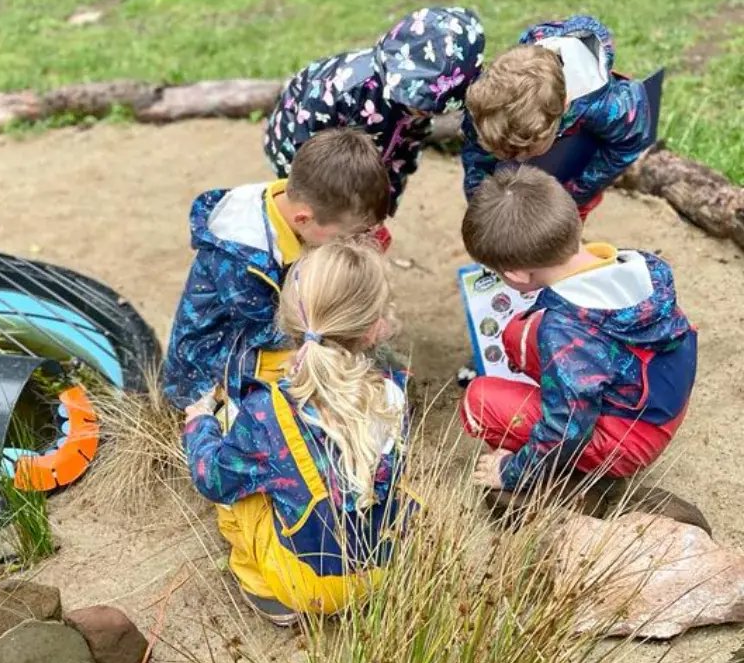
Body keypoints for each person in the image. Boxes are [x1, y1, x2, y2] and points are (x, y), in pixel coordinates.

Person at [182, 239, 410, 626]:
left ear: (288, 319)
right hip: (387, 560)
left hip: (312, 583)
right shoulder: (392, 390)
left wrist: (199, 423)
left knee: (236, 480)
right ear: (374, 329)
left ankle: (270, 593)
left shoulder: (266, 411)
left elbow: (210, 478)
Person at [459, 165, 696, 494]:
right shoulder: (638, 262)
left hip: (630, 435)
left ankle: (571, 481)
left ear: (516, 275)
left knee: (479, 401)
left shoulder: (565, 331)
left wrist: (511, 472)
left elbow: (568, 427)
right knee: (520, 332)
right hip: (659, 393)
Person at [162, 129, 391, 410]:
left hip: (247, 339)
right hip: (209, 368)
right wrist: (351, 328)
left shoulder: (295, 199)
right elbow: (277, 331)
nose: (350, 243)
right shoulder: (243, 262)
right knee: (317, 381)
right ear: (304, 219)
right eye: (344, 236)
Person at [264, 6, 484, 216]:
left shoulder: (417, 113)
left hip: (374, 152)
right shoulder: (341, 90)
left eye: (432, 106)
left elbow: (404, 156)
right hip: (299, 145)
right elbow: (308, 160)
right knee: (314, 208)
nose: (423, 110)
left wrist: (381, 209)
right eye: (419, 100)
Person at [461, 15, 652, 221]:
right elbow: (476, 151)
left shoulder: (606, 106)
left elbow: (631, 141)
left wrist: (577, 193)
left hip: (583, 71)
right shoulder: (485, 101)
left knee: (569, 208)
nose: (518, 159)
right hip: (542, 53)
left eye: (526, 151)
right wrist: (479, 197)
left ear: (564, 107)